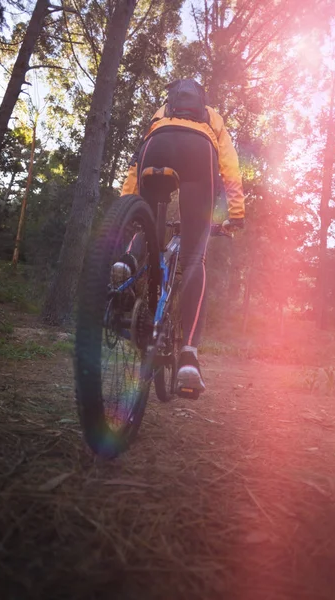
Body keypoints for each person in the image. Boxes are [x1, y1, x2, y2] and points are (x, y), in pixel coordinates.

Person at [119, 78, 245, 395]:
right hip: (198, 153)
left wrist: (126, 207)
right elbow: (229, 162)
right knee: (192, 257)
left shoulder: (162, 112)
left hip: (155, 146)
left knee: (146, 223)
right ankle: (188, 355)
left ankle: (127, 261)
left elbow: (136, 160)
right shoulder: (211, 117)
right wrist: (237, 212)